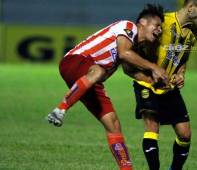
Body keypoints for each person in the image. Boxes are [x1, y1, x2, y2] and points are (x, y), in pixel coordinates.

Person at [46, 4, 167, 170]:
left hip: (90, 80)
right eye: (157, 25)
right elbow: (124, 53)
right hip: (75, 61)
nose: (160, 30)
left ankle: (126, 169)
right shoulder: (128, 26)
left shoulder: (134, 47)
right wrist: (153, 67)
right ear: (143, 22)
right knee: (98, 71)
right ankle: (60, 109)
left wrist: (154, 81)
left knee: (113, 124)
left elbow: (129, 70)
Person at [122, 0, 197, 169]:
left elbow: (182, 59)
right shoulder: (162, 22)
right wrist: (145, 74)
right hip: (146, 84)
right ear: (191, 7)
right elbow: (134, 48)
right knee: (152, 127)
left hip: (169, 86)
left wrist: (180, 74)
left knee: (185, 135)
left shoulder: (194, 32)